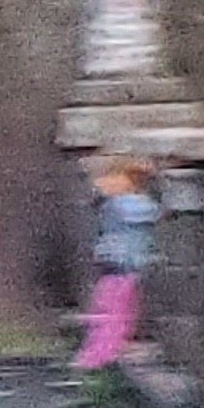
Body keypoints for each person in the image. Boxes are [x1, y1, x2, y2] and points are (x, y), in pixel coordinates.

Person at [74, 154, 163, 374]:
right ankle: (101, 355)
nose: (101, 183)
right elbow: (151, 213)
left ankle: (100, 355)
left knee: (111, 310)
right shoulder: (125, 204)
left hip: (119, 265)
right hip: (124, 265)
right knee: (116, 311)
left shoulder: (118, 205)